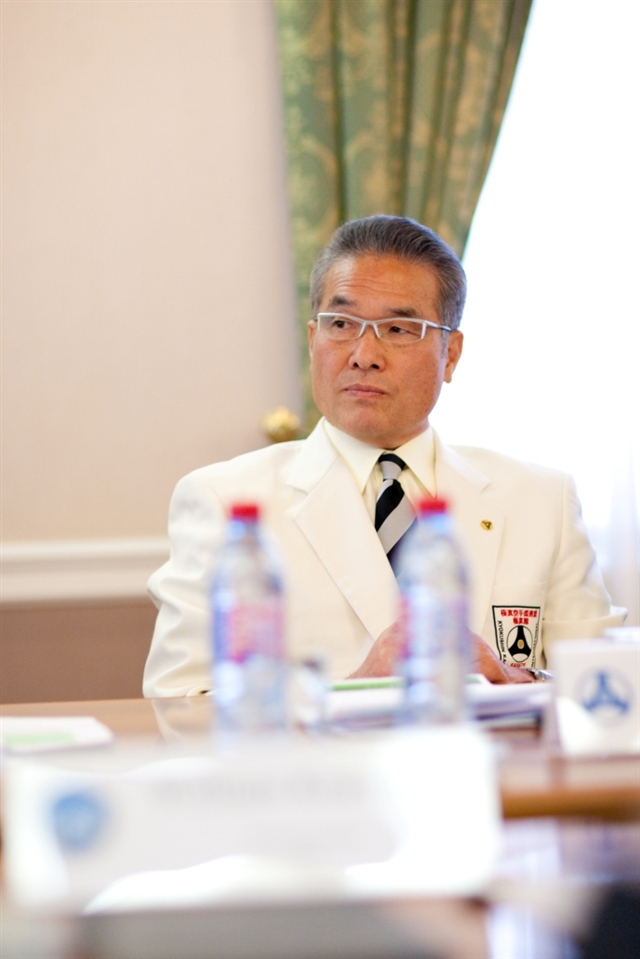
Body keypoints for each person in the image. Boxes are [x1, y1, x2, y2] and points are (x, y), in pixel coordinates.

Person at [143, 216, 623, 697]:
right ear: (312, 340)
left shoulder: (542, 499)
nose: (364, 354)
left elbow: (611, 686)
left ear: (451, 354)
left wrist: (513, 676)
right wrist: (353, 690)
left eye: (398, 328)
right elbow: (179, 702)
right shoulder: (222, 501)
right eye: (341, 324)